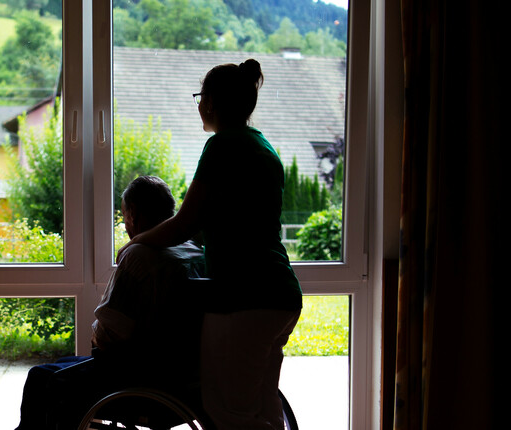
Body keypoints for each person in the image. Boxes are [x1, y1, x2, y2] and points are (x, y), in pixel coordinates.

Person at [116, 60, 303, 430]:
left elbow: (186, 223)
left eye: (201, 97)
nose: (198, 105)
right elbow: (214, 227)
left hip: (243, 299)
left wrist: (134, 244)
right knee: (262, 411)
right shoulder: (262, 146)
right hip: (280, 294)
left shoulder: (221, 146)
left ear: (212, 102)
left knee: (228, 415)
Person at [15, 175, 206, 430]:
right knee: (64, 367)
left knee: (41, 378)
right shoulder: (195, 251)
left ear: (133, 215)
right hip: (188, 382)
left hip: (139, 381)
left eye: (125, 215)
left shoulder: (140, 255)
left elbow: (108, 337)